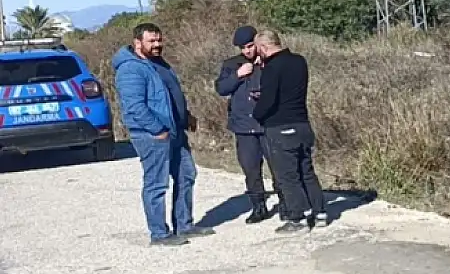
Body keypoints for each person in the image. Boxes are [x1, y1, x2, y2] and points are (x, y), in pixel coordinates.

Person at [113, 23, 214, 246]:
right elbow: (135, 107)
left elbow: (168, 94)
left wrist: (185, 116)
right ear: (137, 43)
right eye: (151, 41)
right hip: (152, 135)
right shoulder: (130, 69)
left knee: (187, 174)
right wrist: (157, 129)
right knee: (157, 184)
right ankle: (159, 234)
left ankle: (184, 225)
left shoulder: (159, 63)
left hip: (175, 131)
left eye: (159, 40)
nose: (157, 44)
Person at [251, 29, 326, 233]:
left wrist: (257, 113)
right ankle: (319, 213)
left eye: (258, 49)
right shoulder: (299, 61)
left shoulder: (272, 68)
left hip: (281, 126)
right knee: (306, 171)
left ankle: (297, 218)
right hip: (302, 124)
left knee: (288, 176)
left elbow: (268, 100)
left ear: (264, 47)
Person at [215, 25, 275, 224]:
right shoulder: (231, 64)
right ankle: (258, 206)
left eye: (250, 46)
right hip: (243, 126)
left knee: (277, 166)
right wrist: (238, 75)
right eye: (243, 48)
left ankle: (286, 203)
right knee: (250, 169)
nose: (247, 51)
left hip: (267, 124)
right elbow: (221, 88)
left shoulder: (270, 61)